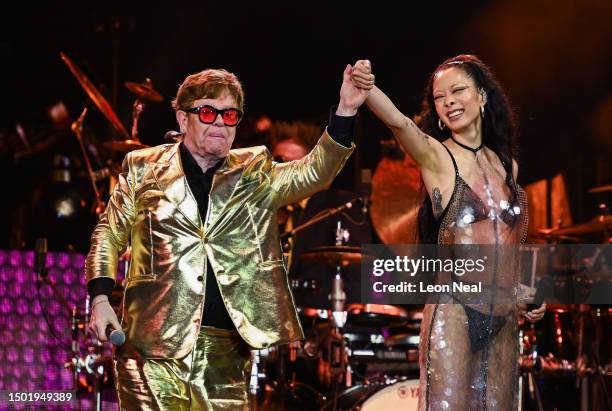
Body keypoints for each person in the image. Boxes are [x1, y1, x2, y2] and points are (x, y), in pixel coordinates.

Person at [85, 65, 371, 410]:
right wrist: (101, 298)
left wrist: (346, 111)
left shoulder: (254, 171)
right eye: (208, 112)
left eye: (230, 114)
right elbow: (109, 232)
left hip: (225, 354)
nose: (220, 122)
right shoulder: (141, 167)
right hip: (151, 348)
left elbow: (315, 171)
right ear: (182, 118)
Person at [351, 56, 546, 410]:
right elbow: (398, 123)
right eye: (440, 98)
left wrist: (527, 293)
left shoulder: (508, 166)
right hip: (454, 311)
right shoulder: (437, 157)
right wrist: (365, 85)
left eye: (458, 91)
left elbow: (507, 246)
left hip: (503, 319)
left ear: (483, 96)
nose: (450, 101)